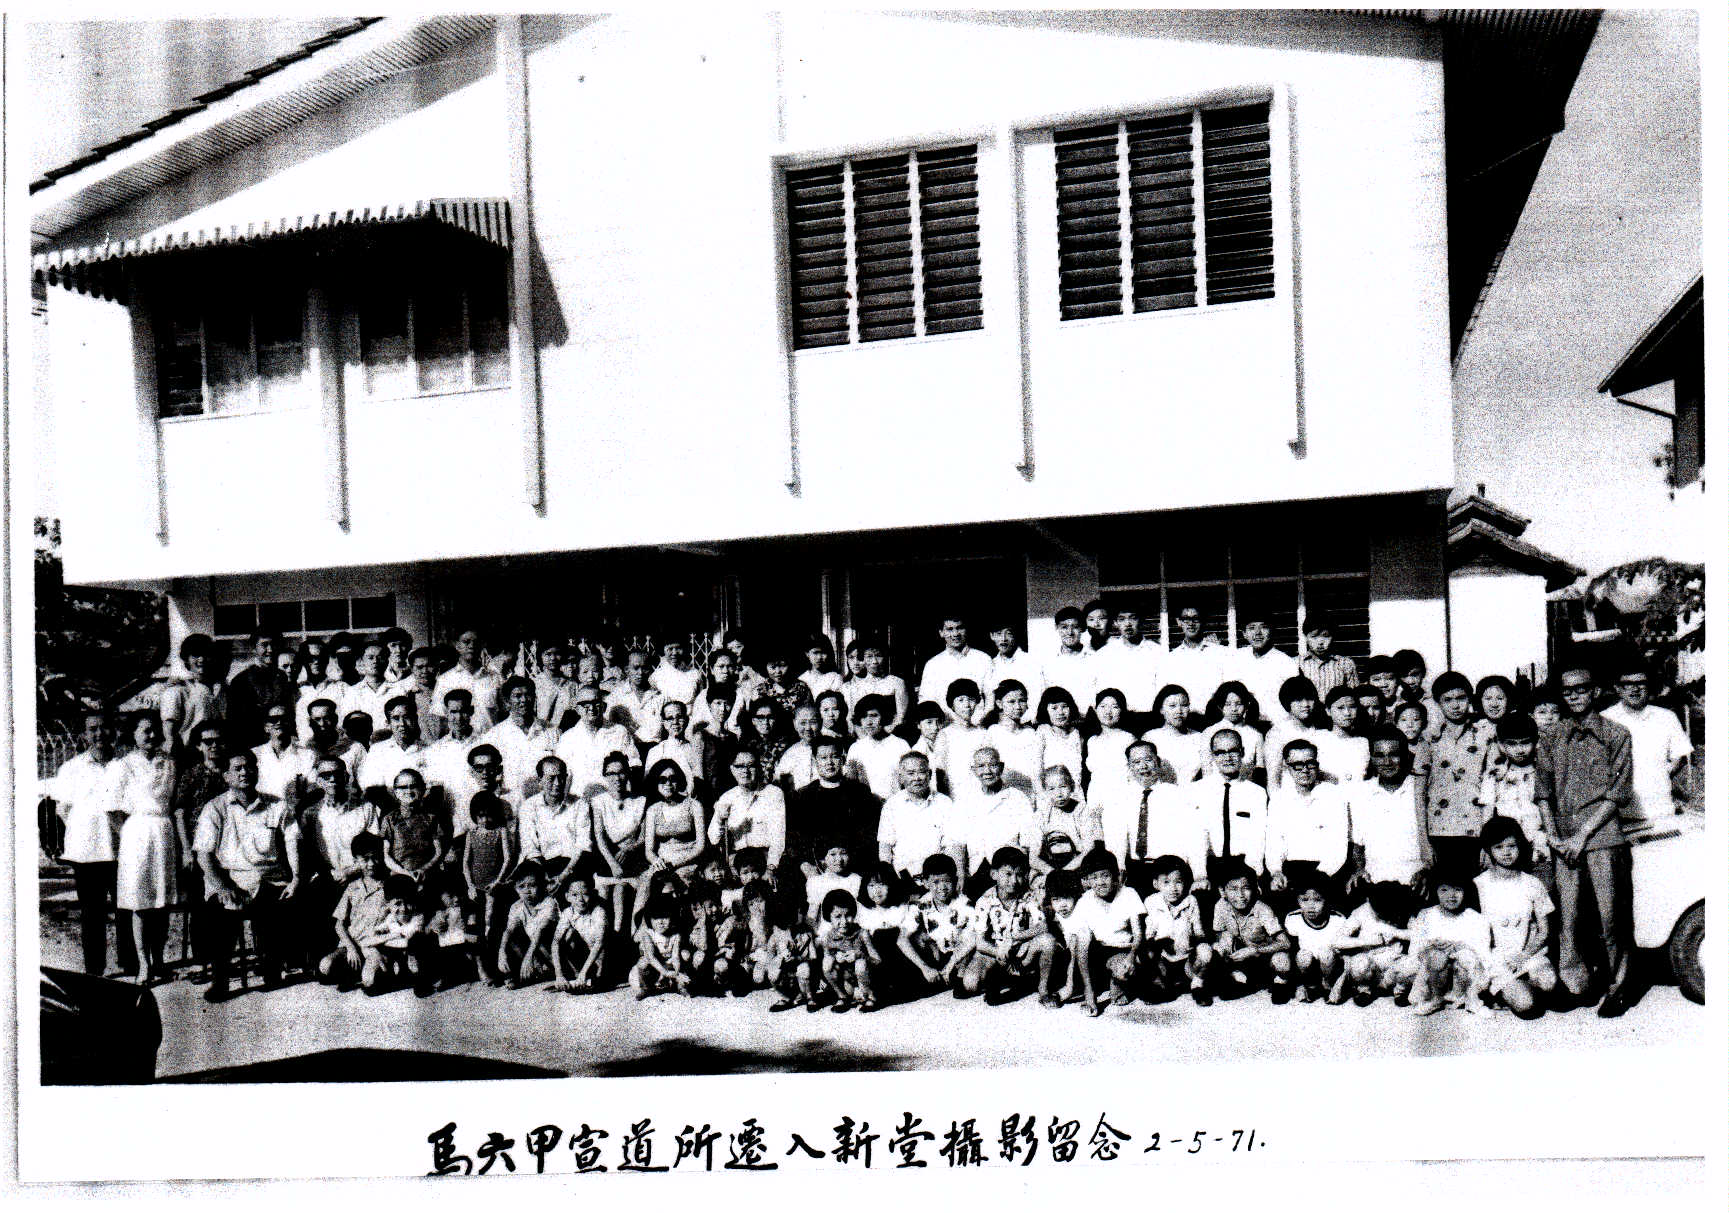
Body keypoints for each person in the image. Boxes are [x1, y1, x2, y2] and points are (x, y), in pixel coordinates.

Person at [1535, 663, 1635, 1016]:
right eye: (1567, 690)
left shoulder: (1616, 734)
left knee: (1610, 917)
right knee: (1569, 916)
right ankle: (1575, 984)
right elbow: (1543, 791)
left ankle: (1618, 987)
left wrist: (1582, 835)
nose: (1574, 695)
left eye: (1581, 689)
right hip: (1564, 841)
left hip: (1602, 837)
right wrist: (1553, 834)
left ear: (1595, 691)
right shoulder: (1551, 736)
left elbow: (1617, 794)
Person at [194, 749, 302, 1002]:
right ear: (226, 776)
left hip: (269, 878)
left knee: (279, 902)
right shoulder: (215, 808)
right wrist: (222, 887)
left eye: (250, 767)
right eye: (238, 768)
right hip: (230, 879)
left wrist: (296, 877)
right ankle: (220, 981)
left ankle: (271, 969)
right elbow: (204, 856)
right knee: (220, 913)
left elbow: (293, 841)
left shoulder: (276, 805)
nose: (245, 772)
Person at [44, 710, 137, 977]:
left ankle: (130, 963)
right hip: (86, 853)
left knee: (125, 908)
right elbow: (63, 810)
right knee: (91, 913)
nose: (99, 734)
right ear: (84, 735)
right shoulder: (71, 768)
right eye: (93, 729)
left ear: (113, 731)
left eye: (104, 727)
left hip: (121, 850)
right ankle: (94, 970)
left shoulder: (124, 766)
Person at [113, 714, 183, 986]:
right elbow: (112, 809)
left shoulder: (170, 763)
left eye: (154, 730)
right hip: (137, 833)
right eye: (145, 731)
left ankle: (160, 960)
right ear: (133, 734)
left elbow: (173, 801)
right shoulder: (124, 765)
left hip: (164, 831)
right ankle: (144, 964)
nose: (151, 735)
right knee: (140, 903)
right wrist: (129, 837)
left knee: (162, 902)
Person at [1096, 740, 1201, 898]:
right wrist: (1118, 868)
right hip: (1135, 870)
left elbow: (1193, 836)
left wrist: (1198, 874)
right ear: (1129, 767)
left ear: (1157, 762)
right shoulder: (1120, 798)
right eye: (1136, 762)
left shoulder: (1178, 795)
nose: (1143, 766)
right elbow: (1115, 840)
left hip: (1170, 871)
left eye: (1148, 760)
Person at [1474, 818, 1557, 1017]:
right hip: (1496, 959)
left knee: (1548, 983)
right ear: (1488, 850)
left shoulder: (1532, 883)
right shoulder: (1479, 884)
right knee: (1526, 1005)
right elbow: (1474, 933)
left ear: (1520, 845)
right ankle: (1502, 990)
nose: (1506, 852)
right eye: (1499, 847)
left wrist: (1524, 955)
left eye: (1511, 846)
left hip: (1527, 954)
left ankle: (1519, 986)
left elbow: (1544, 931)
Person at [955, 846, 1055, 1005]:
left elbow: (1043, 927)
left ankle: (1043, 989)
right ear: (994, 874)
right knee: (970, 983)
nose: (1014, 881)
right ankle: (1006, 978)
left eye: (1019, 875)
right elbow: (980, 942)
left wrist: (1015, 937)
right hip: (994, 952)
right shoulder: (985, 900)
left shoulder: (1028, 896)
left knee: (1047, 941)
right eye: (1008, 874)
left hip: (1021, 951)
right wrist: (999, 952)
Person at [1264, 739, 1354, 913]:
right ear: (1287, 767)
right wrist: (1276, 871)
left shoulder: (1333, 795)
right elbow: (1274, 843)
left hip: (1326, 873)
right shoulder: (1279, 799)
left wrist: (1315, 880)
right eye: (1297, 765)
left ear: (1317, 764)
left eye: (1310, 763)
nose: (1305, 770)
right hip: (1291, 873)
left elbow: (1338, 848)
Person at [1601, 661, 1693, 825]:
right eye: (1628, 684)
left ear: (1648, 686)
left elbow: (1679, 756)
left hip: (1661, 809)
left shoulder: (1666, 717)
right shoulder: (1605, 719)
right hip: (1618, 814)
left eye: (1640, 683)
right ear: (1618, 688)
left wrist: (1657, 775)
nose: (1635, 689)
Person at [784, 740, 880, 896]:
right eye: (823, 758)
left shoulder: (859, 792)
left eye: (834, 756)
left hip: (854, 870)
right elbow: (793, 839)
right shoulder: (802, 796)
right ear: (815, 761)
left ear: (842, 759)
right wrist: (806, 865)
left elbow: (870, 835)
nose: (829, 762)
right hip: (815, 871)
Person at [1349, 730, 1430, 898]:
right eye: (1379, 755)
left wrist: (1427, 873)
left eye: (1394, 755)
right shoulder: (1362, 792)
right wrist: (1359, 870)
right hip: (1375, 883)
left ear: (1405, 756)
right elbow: (1358, 846)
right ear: (1371, 758)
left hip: (1416, 883)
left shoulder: (1420, 788)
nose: (1387, 762)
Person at [1191, 727, 1270, 895]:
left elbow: (1258, 837)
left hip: (1244, 867)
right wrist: (1200, 875)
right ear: (1212, 756)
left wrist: (1253, 876)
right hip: (1209, 868)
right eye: (1220, 752)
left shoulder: (1256, 792)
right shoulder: (1197, 790)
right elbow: (1196, 836)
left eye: (1233, 751)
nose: (1228, 757)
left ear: (1242, 752)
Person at [1408, 864, 1493, 1015]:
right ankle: (1435, 999)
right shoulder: (1426, 916)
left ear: (1465, 891)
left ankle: (1472, 1000)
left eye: (1458, 890)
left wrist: (1460, 947)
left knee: (1467, 956)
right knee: (1436, 956)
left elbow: (1484, 955)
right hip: (1435, 979)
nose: (1451, 895)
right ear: (1436, 891)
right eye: (1444, 890)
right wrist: (1431, 947)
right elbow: (1414, 951)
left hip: (1464, 978)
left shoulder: (1476, 918)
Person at [1474, 712, 1550, 881]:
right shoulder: (1494, 775)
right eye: (1512, 744)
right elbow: (1487, 815)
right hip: (1506, 850)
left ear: (1536, 742)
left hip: (1540, 847)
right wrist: (1485, 848)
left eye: (1525, 742)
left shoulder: (1545, 773)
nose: (1519, 749)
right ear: (1501, 745)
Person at [1209, 858, 1294, 1002]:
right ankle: (1242, 979)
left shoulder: (1262, 909)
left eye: (1246, 888)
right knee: (1219, 946)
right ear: (1222, 891)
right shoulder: (1221, 906)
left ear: (1255, 889)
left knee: (1282, 960)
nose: (1241, 895)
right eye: (1233, 889)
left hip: (1265, 958)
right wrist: (1226, 948)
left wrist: (1256, 951)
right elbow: (1219, 934)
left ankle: (1280, 982)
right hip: (1242, 960)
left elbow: (1285, 943)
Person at [959, 747, 1042, 895]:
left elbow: (1028, 844)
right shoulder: (966, 800)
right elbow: (957, 842)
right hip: (975, 873)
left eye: (993, 765)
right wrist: (960, 875)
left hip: (1010, 875)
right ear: (973, 770)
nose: (987, 771)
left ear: (1001, 767)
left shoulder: (1018, 798)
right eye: (981, 766)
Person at [1071, 848, 1144, 1015]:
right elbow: (1082, 947)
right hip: (1098, 952)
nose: (1100, 882)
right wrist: (1089, 994)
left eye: (1105, 876)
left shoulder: (1129, 893)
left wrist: (1131, 957)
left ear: (1115, 875)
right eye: (1094, 877)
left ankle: (1116, 982)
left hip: (1123, 949)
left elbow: (1138, 933)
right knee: (1082, 941)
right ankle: (1091, 989)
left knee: (1128, 974)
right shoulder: (1084, 901)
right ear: (1087, 880)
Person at [316, 834, 392, 992]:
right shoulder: (353, 887)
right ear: (356, 861)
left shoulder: (388, 886)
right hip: (352, 944)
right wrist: (351, 948)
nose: (371, 864)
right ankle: (352, 969)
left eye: (375, 858)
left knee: (369, 981)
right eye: (365, 859)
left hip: (374, 946)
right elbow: (339, 924)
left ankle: (368, 970)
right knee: (325, 966)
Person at [877, 751, 965, 884]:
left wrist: (958, 876)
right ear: (901, 777)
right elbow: (885, 848)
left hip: (938, 880)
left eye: (922, 772)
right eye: (911, 773)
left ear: (929, 774)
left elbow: (954, 845)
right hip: (902, 880)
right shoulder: (892, 805)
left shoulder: (944, 803)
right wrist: (889, 879)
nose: (917, 778)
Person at [587, 752, 650, 933]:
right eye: (611, 773)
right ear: (605, 775)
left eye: (621, 772)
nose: (617, 778)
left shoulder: (640, 801)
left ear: (628, 774)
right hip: (608, 859)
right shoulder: (598, 802)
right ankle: (609, 935)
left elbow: (644, 836)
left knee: (630, 889)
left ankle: (634, 933)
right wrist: (613, 863)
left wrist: (629, 849)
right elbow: (599, 837)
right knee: (606, 893)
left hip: (633, 859)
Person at [461, 792, 518, 981]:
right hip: (475, 888)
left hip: (494, 887)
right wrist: (470, 886)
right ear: (475, 816)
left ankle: (498, 967)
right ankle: (481, 968)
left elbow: (508, 858)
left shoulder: (501, 831)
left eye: (488, 815)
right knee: (475, 927)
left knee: (492, 924)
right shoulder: (471, 834)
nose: (485, 820)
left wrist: (498, 881)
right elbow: (466, 863)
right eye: (480, 816)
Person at [1142, 855, 1213, 1005]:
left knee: (1206, 951)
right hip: (1164, 957)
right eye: (1166, 882)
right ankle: (1161, 985)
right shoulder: (1151, 901)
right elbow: (1149, 934)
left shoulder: (1191, 901)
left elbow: (1199, 931)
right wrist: (1159, 943)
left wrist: (1198, 945)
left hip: (1186, 956)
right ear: (1156, 884)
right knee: (1147, 953)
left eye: (1178, 882)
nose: (1173, 888)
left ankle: (1197, 985)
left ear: (1185, 882)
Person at [896, 853, 971, 992]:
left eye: (947, 881)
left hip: (959, 955)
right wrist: (924, 968)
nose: (942, 887)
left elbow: (971, 940)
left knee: (966, 975)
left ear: (955, 880)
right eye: (936, 882)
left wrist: (951, 964)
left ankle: (951, 979)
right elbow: (901, 940)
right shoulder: (922, 904)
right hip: (937, 954)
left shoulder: (964, 903)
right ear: (925, 883)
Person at [1333, 881, 1415, 1007]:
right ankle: (1364, 990)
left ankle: (1400, 991)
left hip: (1393, 966)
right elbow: (1337, 941)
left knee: (1413, 963)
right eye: (1379, 913)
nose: (1384, 917)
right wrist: (1366, 941)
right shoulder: (1361, 911)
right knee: (1359, 963)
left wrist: (1395, 932)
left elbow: (1419, 935)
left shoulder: (1401, 906)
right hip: (1370, 968)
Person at [708, 749, 787, 872]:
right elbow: (713, 839)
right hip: (736, 863)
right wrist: (719, 818)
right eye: (739, 766)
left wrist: (771, 867)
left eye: (751, 766)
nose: (745, 770)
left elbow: (778, 836)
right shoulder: (727, 797)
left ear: (758, 768)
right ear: (732, 769)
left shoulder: (773, 793)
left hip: (764, 859)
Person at [516, 756, 593, 883]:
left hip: (573, 866)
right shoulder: (528, 807)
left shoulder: (580, 805)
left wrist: (563, 876)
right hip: (540, 867)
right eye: (551, 778)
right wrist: (544, 876)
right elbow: (530, 847)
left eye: (561, 777)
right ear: (540, 780)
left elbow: (583, 844)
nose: (557, 783)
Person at [480, 676, 558, 798]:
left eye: (528, 695)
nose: (524, 700)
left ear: (535, 698)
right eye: (517, 696)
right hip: (510, 802)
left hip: (545, 802)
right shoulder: (494, 736)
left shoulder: (552, 732)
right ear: (507, 701)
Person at [555, 684, 639, 797]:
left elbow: (633, 765)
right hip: (579, 799)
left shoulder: (619, 732)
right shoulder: (567, 738)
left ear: (604, 707)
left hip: (613, 799)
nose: (592, 708)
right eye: (585, 704)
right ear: (577, 709)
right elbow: (562, 776)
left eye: (596, 703)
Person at [422, 690, 484, 836]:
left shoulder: (485, 742)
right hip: (449, 826)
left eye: (463, 711)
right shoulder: (435, 750)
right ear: (446, 713)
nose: (458, 718)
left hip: (481, 822)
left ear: (471, 711)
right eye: (453, 712)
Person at [1282, 872, 1349, 1004]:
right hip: (1306, 967)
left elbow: (1347, 955)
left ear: (1327, 900)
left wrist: (1339, 984)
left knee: (1326, 953)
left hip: (1330, 966)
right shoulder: (1293, 919)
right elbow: (1291, 952)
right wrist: (1299, 984)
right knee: (1303, 956)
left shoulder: (1338, 919)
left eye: (1317, 900)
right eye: (1305, 900)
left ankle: (1327, 985)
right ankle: (1309, 985)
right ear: (1297, 900)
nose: (1311, 906)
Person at [1089, 607, 1161, 725]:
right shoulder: (1104, 654)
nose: (1128, 624)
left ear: (1141, 621)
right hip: (1117, 720)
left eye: (1133, 618)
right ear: (1115, 623)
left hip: (1150, 718)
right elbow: (1097, 690)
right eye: (1122, 619)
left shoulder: (1157, 652)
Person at [160, 634, 226, 762]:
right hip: (190, 755)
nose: (201, 659)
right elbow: (169, 735)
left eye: (206, 654)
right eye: (195, 655)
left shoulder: (221, 690)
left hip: (218, 753)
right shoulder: (176, 691)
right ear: (186, 659)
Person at [494, 860, 560, 988]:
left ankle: (560, 972)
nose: (527, 891)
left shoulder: (549, 902)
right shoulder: (517, 906)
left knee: (542, 937)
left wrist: (529, 956)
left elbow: (541, 931)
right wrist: (502, 952)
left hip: (552, 949)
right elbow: (509, 930)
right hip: (535, 950)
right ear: (515, 888)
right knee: (507, 937)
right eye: (521, 886)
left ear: (541, 885)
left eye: (532, 885)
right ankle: (524, 973)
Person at [382, 770, 449, 893]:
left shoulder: (431, 819)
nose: (408, 791)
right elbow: (386, 856)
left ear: (423, 789)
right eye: (403, 787)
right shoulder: (389, 820)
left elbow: (439, 852)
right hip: (399, 876)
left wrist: (423, 870)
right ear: (395, 792)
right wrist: (405, 873)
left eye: (413, 786)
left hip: (428, 875)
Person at [916, 616, 993, 724]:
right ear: (941, 633)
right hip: (945, 726)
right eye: (950, 629)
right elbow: (927, 701)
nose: (955, 634)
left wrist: (980, 720)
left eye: (959, 628)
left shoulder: (983, 659)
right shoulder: (933, 664)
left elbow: (990, 697)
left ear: (966, 629)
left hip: (978, 724)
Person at [816, 888, 881, 1012]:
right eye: (837, 916)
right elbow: (827, 964)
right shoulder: (828, 938)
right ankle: (842, 996)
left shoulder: (862, 934)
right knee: (827, 963)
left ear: (854, 914)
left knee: (860, 964)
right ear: (829, 917)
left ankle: (871, 997)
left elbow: (877, 961)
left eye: (848, 915)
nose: (844, 921)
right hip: (847, 981)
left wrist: (859, 955)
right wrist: (835, 956)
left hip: (867, 980)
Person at [226, 631, 296, 748]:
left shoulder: (282, 677)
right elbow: (235, 723)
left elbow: (289, 713)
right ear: (254, 648)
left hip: (281, 743)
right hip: (252, 744)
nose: (270, 650)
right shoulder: (240, 681)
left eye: (274, 644)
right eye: (264, 645)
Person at [642, 759, 708, 880]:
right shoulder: (653, 810)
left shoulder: (694, 806)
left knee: (671, 884)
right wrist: (656, 861)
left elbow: (700, 847)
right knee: (646, 882)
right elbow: (649, 851)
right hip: (662, 865)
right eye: (662, 780)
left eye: (673, 779)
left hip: (689, 863)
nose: (668, 783)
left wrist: (675, 864)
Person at [1232, 613, 1299, 727]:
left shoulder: (1286, 662)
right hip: (1242, 726)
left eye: (1263, 627)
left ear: (1271, 631)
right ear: (1244, 634)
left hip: (1277, 725)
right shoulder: (1236, 658)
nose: (1258, 632)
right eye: (1252, 628)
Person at [1034, 764, 1102, 877]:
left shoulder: (1082, 811)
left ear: (1072, 786)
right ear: (1045, 791)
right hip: (1050, 869)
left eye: (1063, 786)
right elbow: (1033, 857)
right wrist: (1053, 874)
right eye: (1051, 789)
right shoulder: (1041, 815)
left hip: (1077, 867)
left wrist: (1064, 874)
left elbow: (1088, 849)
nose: (1059, 794)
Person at [356, 695, 431, 796]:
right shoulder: (377, 751)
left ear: (415, 719)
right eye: (396, 718)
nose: (402, 724)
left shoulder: (429, 750)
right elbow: (371, 786)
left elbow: (431, 786)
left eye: (407, 717)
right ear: (388, 723)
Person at [433, 627, 503, 732]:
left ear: (482, 645)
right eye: (466, 642)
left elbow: (504, 714)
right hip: (459, 740)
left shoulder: (495, 678)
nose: (471, 646)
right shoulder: (445, 680)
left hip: (489, 739)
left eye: (476, 642)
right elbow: (441, 720)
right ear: (457, 645)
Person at [550, 872, 611, 993]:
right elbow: (555, 942)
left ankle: (598, 977)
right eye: (574, 895)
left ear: (593, 894)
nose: (580, 899)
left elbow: (599, 943)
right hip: (586, 958)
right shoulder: (568, 912)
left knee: (604, 943)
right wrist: (559, 975)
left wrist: (584, 973)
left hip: (602, 958)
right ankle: (578, 976)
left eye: (585, 894)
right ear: (567, 897)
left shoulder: (599, 912)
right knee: (569, 934)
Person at [845, 695, 912, 799]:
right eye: (864, 717)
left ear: (884, 716)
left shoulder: (901, 745)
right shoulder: (856, 748)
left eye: (874, 715)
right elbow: (851, 785)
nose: (869, 722)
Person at [1264, 676, 1326, 789]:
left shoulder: (1320, 729)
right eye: (1298, 700)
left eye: (1309, 698)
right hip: (1289, 794)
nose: (1305, 704)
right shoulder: (1277, 733)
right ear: (1288, 702)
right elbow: (1273, 779)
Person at [932, 679, 989, 802]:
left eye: (971, 699)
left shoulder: (983, 733)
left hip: (980, 795)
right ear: (952, 704)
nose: (967, 705)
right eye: (961, 700)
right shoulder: (945, 735)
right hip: (954, 795)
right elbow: (940, 773)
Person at [1163, 604, 1225, 710]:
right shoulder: (1171, 659)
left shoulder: (1220, 653)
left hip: (1214, 716)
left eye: (1196, 619)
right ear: (1179, 622)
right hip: (1184, 717)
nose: (1191, 623)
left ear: (1203, 620)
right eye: (1186, 619)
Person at [630, 892, 693, 999]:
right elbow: (651, 957)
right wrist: (665, 973)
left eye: (665, 917)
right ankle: (645, 988)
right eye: (655, 918)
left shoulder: (676, 935)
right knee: (643, 962)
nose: (660, 922)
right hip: (654, 967)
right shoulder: (648, 934)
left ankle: (680, 986)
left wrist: (676, 972)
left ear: (672, 917)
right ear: (649, 918)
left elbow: (676, 956)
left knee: (685, 955)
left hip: (668, 966)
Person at [984, 681, 1042, 794]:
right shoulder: (993, 732)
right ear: (999, 703)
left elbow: (1037, 770)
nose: (1018, 706)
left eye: (1022, 701)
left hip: (1029, 792)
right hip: (1003, 793)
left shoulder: (1030, 733)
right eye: (1011, 702)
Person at [606, 648, 668, 751]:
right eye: (636, 668)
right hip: (626, 751)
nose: (640, 672)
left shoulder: (660, 697)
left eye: (645, 668)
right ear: (627, 669)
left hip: (654, 751)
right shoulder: (616, 696)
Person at [1142, 684, 1205, 785]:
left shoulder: (1200, 737)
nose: (1179, 711)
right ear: (1161, 709)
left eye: (1184, 705)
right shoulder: (1150, 737)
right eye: (1172, 706)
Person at [252, 704, 314, 805]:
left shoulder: (307, 755)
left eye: (284, 719)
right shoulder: (255, 754)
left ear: (291, 724)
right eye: (273, 719)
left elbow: (311, 789)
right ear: (266, 727)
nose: (279, 722)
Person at [984, 620, 1043, 724]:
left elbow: (1037, 697)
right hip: (999, 723)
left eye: (1009, 633)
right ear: (992, 636)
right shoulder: (990, 664)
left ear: (1016, 635)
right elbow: (990, 701)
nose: (1003, 639)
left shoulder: (1031, 662)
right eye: (999, 634)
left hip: (1027, 722)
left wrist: (1024, 721)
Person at [1199, 682, 1264, 776]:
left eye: (1239, 704)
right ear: (1220, 706)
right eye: (1228, 704)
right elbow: (1206, 770)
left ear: (1246, 705)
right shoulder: (1208, 733)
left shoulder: (1256, 735)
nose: (1234, 709)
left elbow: (1260, 768)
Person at [1041, 606, 1095, 711]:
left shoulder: (1095, 659)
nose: (1070, 632)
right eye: (1064, 627)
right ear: (1057, 628)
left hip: (1088, 718)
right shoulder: (1048, 662)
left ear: (1082, 628)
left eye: (1075, 627)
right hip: (1059, 717)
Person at [341, 642, 398, 740]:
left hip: (392, 743)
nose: (375, 661)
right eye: (370, 658)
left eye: (380, 657)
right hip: (362, 742)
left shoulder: (398, 689)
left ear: (387, 661)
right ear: (362, 661)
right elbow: (347, 727)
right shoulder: (352, 692)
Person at [644, 698, 702, 794]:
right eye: (670, 718)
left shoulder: (694, 749)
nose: (675, 722)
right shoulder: (656, 751)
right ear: (664, 723)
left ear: (687, 720)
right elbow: (649, 783)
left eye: (679, 717)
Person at [1084, 688, 1134, 797]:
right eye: (1103, 706)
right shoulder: (1092, 741)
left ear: (1122, 710)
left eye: (1114, 707)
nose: (1108, 712)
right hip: (1096, 795)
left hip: (1122, 795)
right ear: (1096, 710)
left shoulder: (1128, 738)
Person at [1315, 686, 1369, 784]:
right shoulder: (1319, 738)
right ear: (1328, 711)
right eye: (1340, 708)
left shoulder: (1363, 742)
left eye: (1352, 707)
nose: (1347, 713)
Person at [1297, 614, 1357, 702]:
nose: (1320, 642)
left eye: (1325, 636)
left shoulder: (1346, 664)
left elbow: (1354, 696)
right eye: (1314, 636)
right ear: (1306, 637)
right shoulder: (1296, 663)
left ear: (1333, 636)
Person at [1034, 687, 1085, 789]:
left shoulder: (1076, 734)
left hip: (1074, 791)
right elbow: (1037, 769)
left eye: (1064, 707)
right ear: (1046, 710)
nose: (1060, 712)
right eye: (1054, 708)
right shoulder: (1043, 731)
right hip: (1050, 791)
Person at [395, 647, 447, 743]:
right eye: (419, 667)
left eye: (429, 666)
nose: (425, 671)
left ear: (437, 666)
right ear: (412, 669)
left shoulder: (446, 692)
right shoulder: (407, 696)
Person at [772, 702, 824, 794]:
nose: (808, 728)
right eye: (803, 723)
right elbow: (780, 781)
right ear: (795, 724)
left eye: (813, 722)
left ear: (821, 722)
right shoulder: (790, 753)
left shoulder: (830, 747)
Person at [797, 635, 843, 702]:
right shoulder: (802, 679)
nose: (819, 657)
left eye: (823, 653)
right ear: (807, 654)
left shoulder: (835, 678)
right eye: (815, 653)